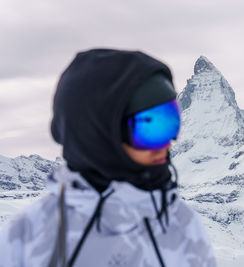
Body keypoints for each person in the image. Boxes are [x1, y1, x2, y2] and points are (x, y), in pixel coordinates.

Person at [0, 49, 217, 267]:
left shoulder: (182, 226)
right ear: (100, 134)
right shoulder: (27, 237)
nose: (167, 143)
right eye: (151, 127)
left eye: (172, 121)